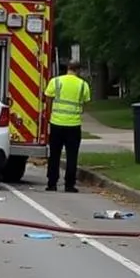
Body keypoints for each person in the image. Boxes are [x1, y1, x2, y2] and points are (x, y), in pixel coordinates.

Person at [45, 59, 92, 193]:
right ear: (78, 70)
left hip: (56, 123)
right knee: (72, 156)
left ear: (68, 68)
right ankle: (69, 185)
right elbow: (85, 103)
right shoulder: (83, 85)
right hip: (74, 125)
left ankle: (52, 183)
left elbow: (48, 97)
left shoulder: (56, 81)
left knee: (54, 155)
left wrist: (49, 114)